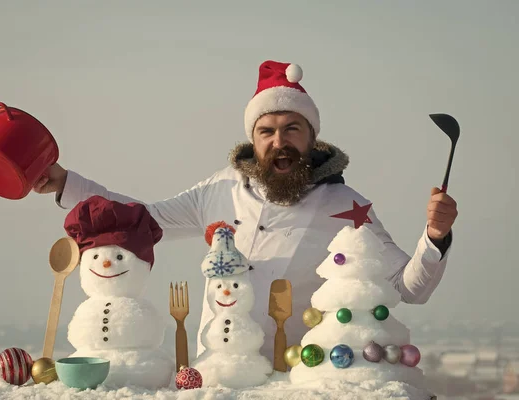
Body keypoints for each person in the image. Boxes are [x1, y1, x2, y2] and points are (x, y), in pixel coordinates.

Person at [34, 60, 458, 360]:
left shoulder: (347, 206)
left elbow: (408, 289)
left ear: (311, 137)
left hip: (297, 376)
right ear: (254, 141)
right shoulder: (219, 188)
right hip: (218, 374)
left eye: (292, 128)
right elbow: (140, 218)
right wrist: (67, 183)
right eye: (266, 131)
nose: (279, 141)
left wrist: (435, 237)